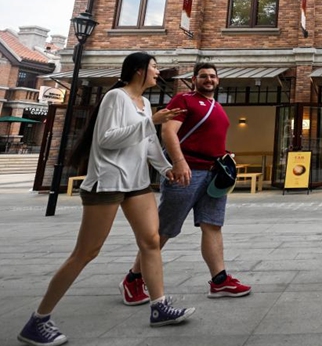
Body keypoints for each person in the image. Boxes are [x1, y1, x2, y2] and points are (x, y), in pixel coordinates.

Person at [18, 52, 194, 346]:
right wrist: (151, 121)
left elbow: (149, 144)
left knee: (151, 241)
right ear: (138, 71)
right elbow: (108, 139)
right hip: (108, 182)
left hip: (136, 183)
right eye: (154, 67)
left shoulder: (145, 103)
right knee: (86, 252)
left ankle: (159, 306)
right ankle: (37, 320)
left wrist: (166, 169)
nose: (157, 72)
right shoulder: (116, 98)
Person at [120, 62, 251, 306]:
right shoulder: (184, 99)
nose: (209, 80)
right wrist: (179, 163)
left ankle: (219, 280)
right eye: (203, 76)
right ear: (194, 79)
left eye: (212, 76)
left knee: (212, 225)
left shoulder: (216, 106)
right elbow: (168, 132)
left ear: (218, 80)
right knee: (165, 228)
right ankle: (133, 278)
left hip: (214, 175)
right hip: (188, 172)